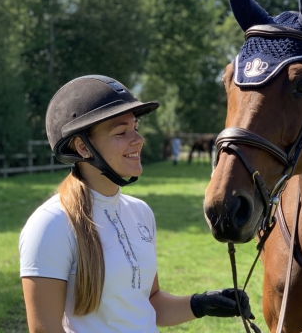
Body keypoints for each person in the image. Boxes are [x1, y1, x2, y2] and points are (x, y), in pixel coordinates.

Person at [19, 75, 252, 332]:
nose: (138, 140)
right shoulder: (51, 224)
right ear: (82, 148)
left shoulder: (141, 212)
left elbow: (149, 304)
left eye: (136, 128)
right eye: (121, 132)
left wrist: (201, 304)